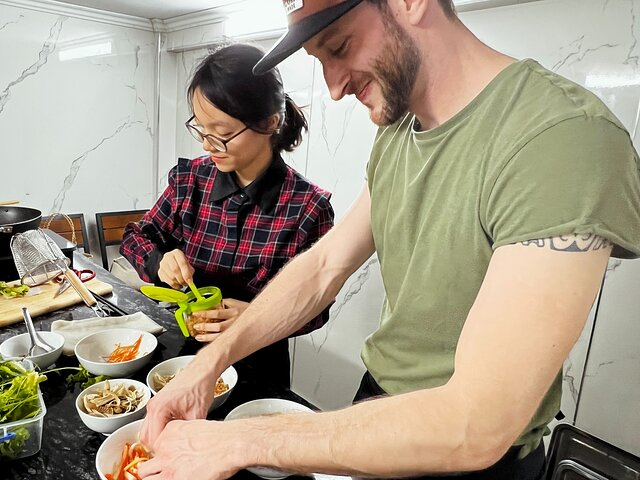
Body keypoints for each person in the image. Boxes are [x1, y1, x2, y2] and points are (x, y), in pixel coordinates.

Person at [137, 1, 640, 479]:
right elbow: (324, 267)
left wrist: (238, 441)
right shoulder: (399, 131)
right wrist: (208, 364)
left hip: (474, 462)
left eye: (338, 48)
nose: (333, 87)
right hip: (377, 405)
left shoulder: (562, 138)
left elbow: (477, 425)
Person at [120, 43, 334, 388]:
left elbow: (316, 307)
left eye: (220, 133)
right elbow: (136, 237)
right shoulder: (191, 179)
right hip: (180, 351)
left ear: (270, 123)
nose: (207, 145)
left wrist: (260, 317)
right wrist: (160, 261)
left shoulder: (308, 207)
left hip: (256, 362)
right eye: (201, 129)